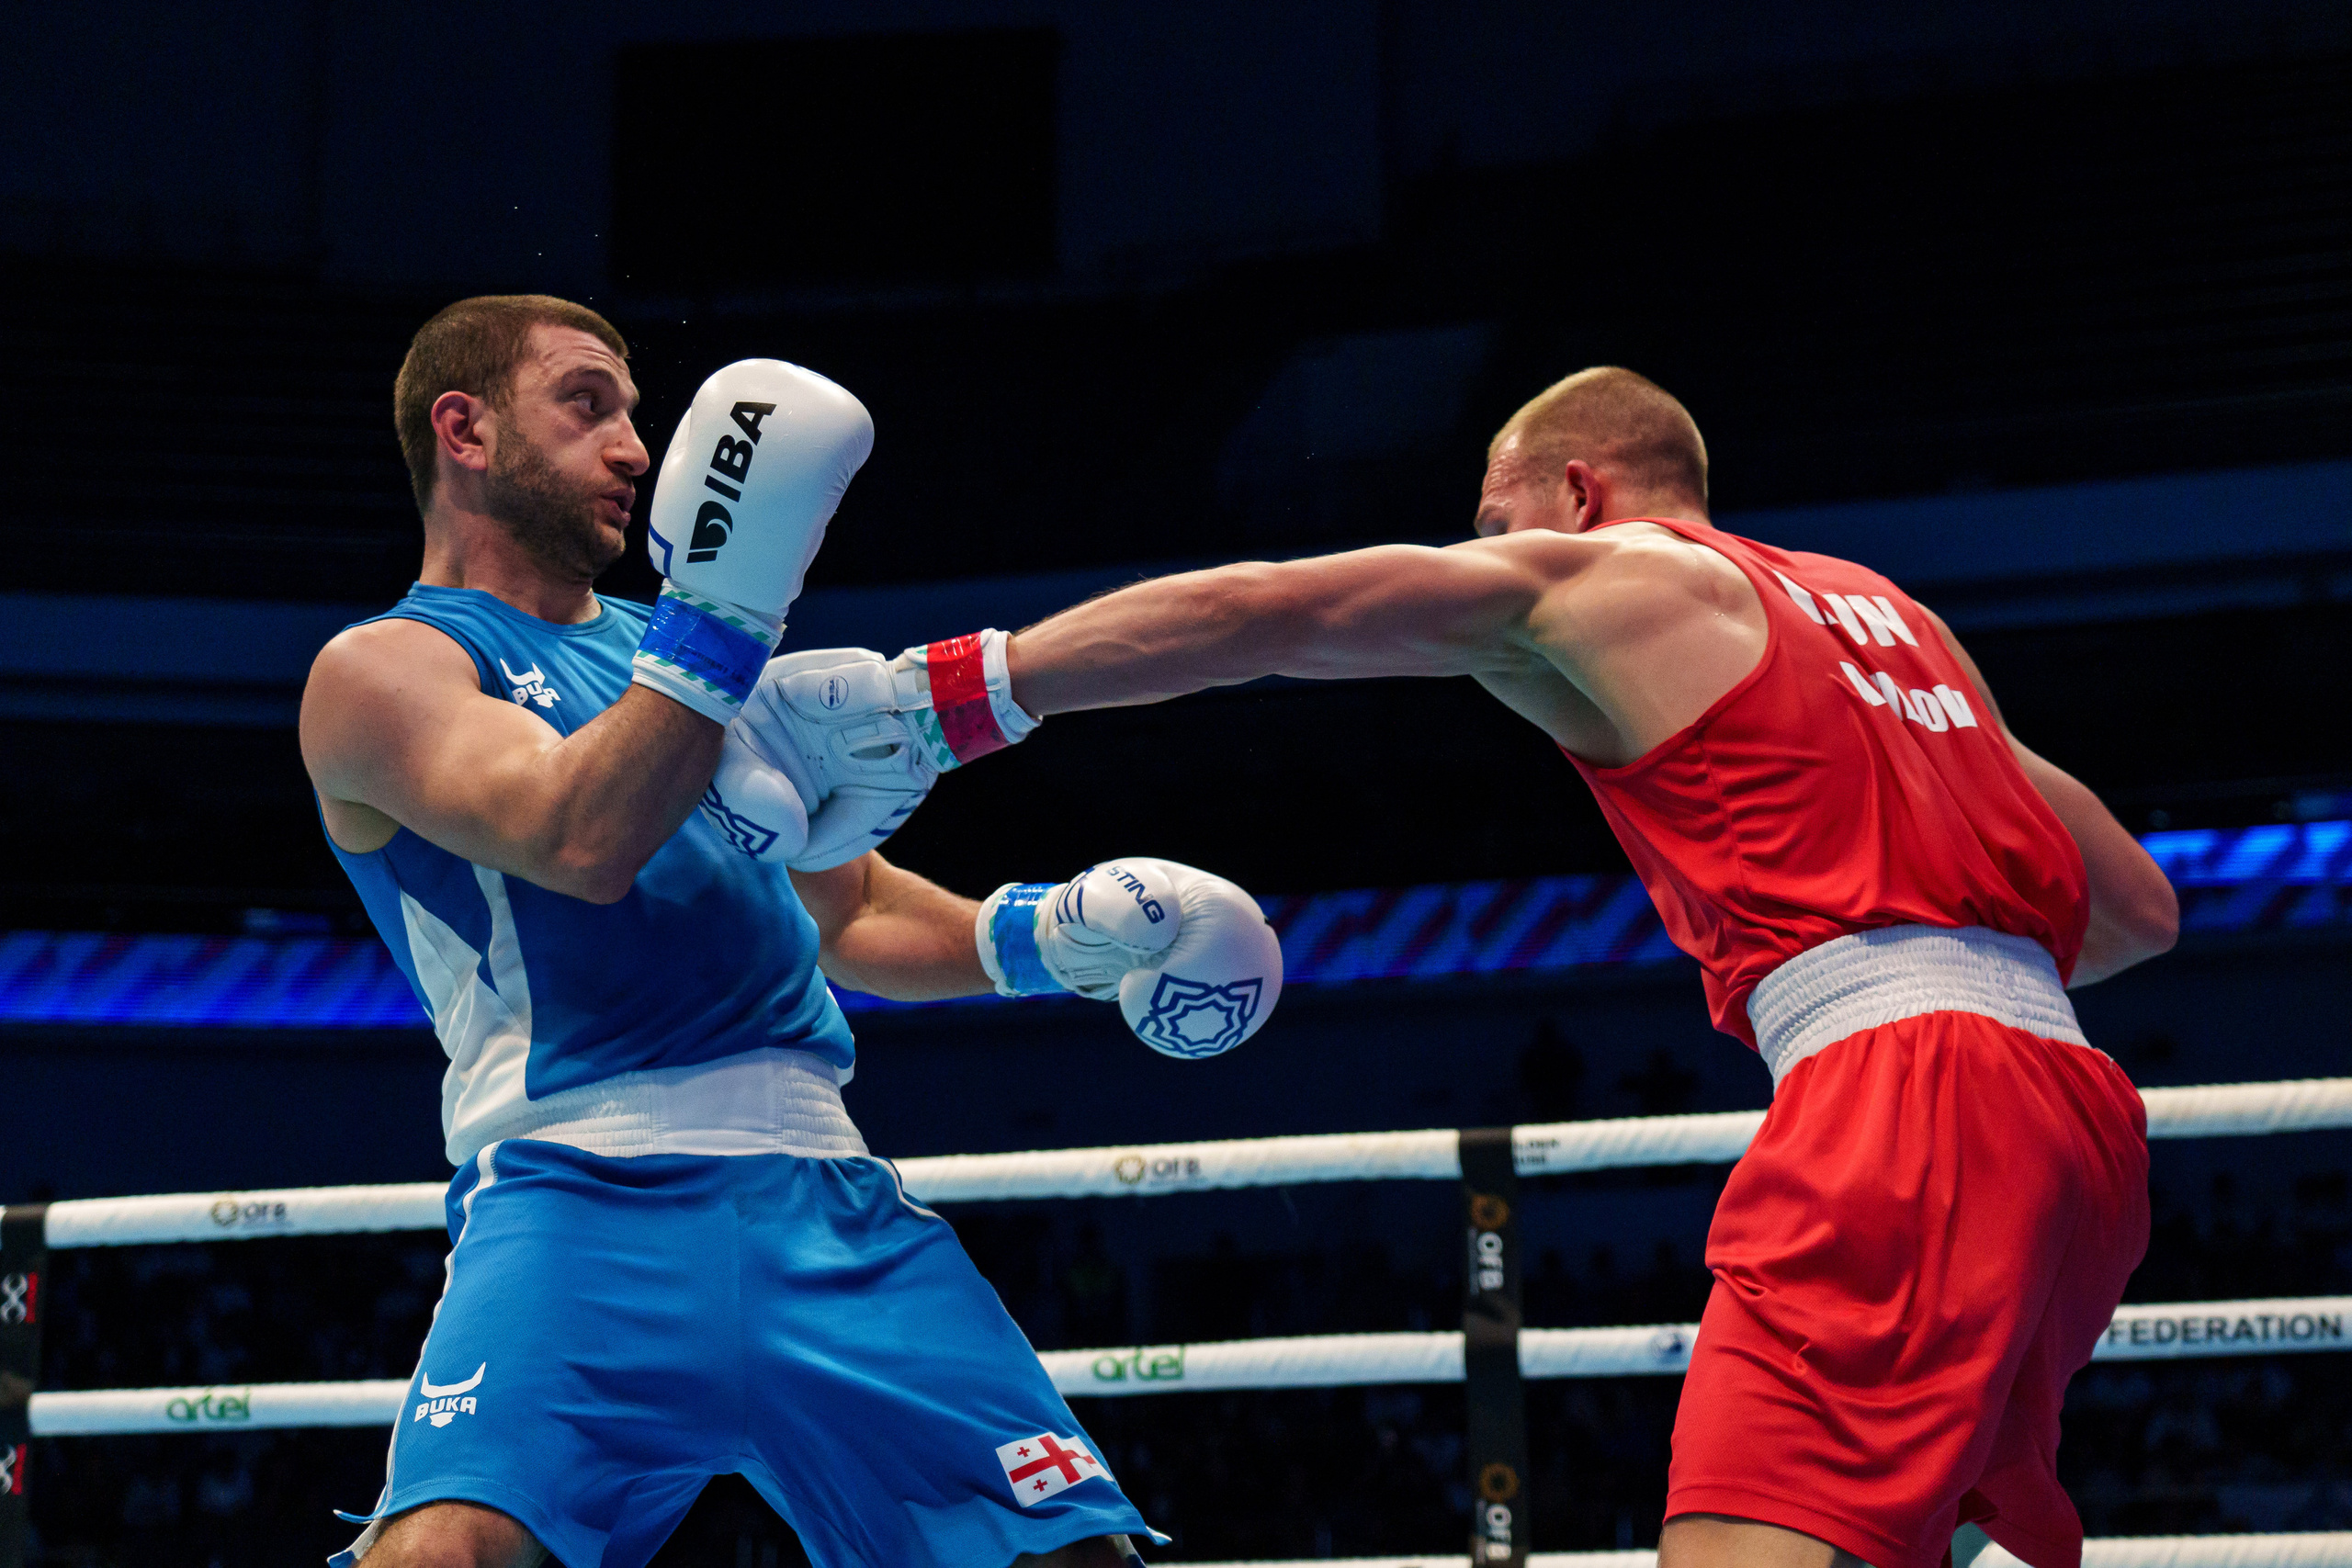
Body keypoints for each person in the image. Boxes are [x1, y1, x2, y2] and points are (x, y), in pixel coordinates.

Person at [768, 367, 2179, 1568]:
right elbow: (2135, 916)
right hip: (2074, 1121)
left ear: (1578, 491)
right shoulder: (1896, 619)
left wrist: (943, 699)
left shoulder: (1611, 574)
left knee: (1748, 1530)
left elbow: (1272, 610)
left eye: (1491, 521)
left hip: (1905, 1104)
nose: (1480, 550)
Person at [298, 294, 1280, 1568]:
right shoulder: (389, 671)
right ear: (464, 429)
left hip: (827, 1195)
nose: (638, 450)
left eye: (639, 416)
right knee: (446, 1558)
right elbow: (574, 838)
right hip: (575, 1194)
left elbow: (849, 908)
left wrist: (1043, 937)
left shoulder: (683, 656)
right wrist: (723, 624)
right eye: (587, 404)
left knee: (1071, 1555)